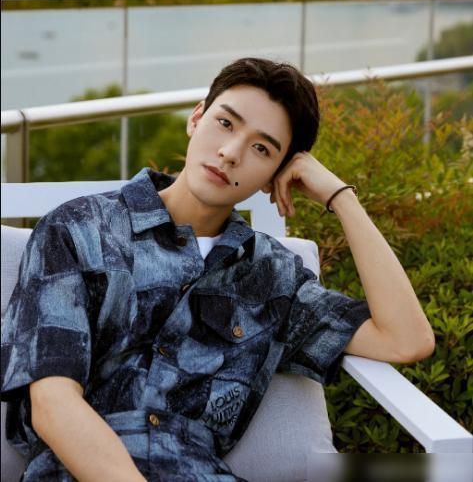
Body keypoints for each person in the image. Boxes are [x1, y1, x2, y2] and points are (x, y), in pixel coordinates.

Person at [1, 57, 435, 481]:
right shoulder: (77, 229)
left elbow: (406, 339)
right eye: (225, 123)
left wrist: (342, 198)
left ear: (276, 173)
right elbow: (52, 403)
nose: (230, 153)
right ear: (196, 118)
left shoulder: (270, 276)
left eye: (262, 149)